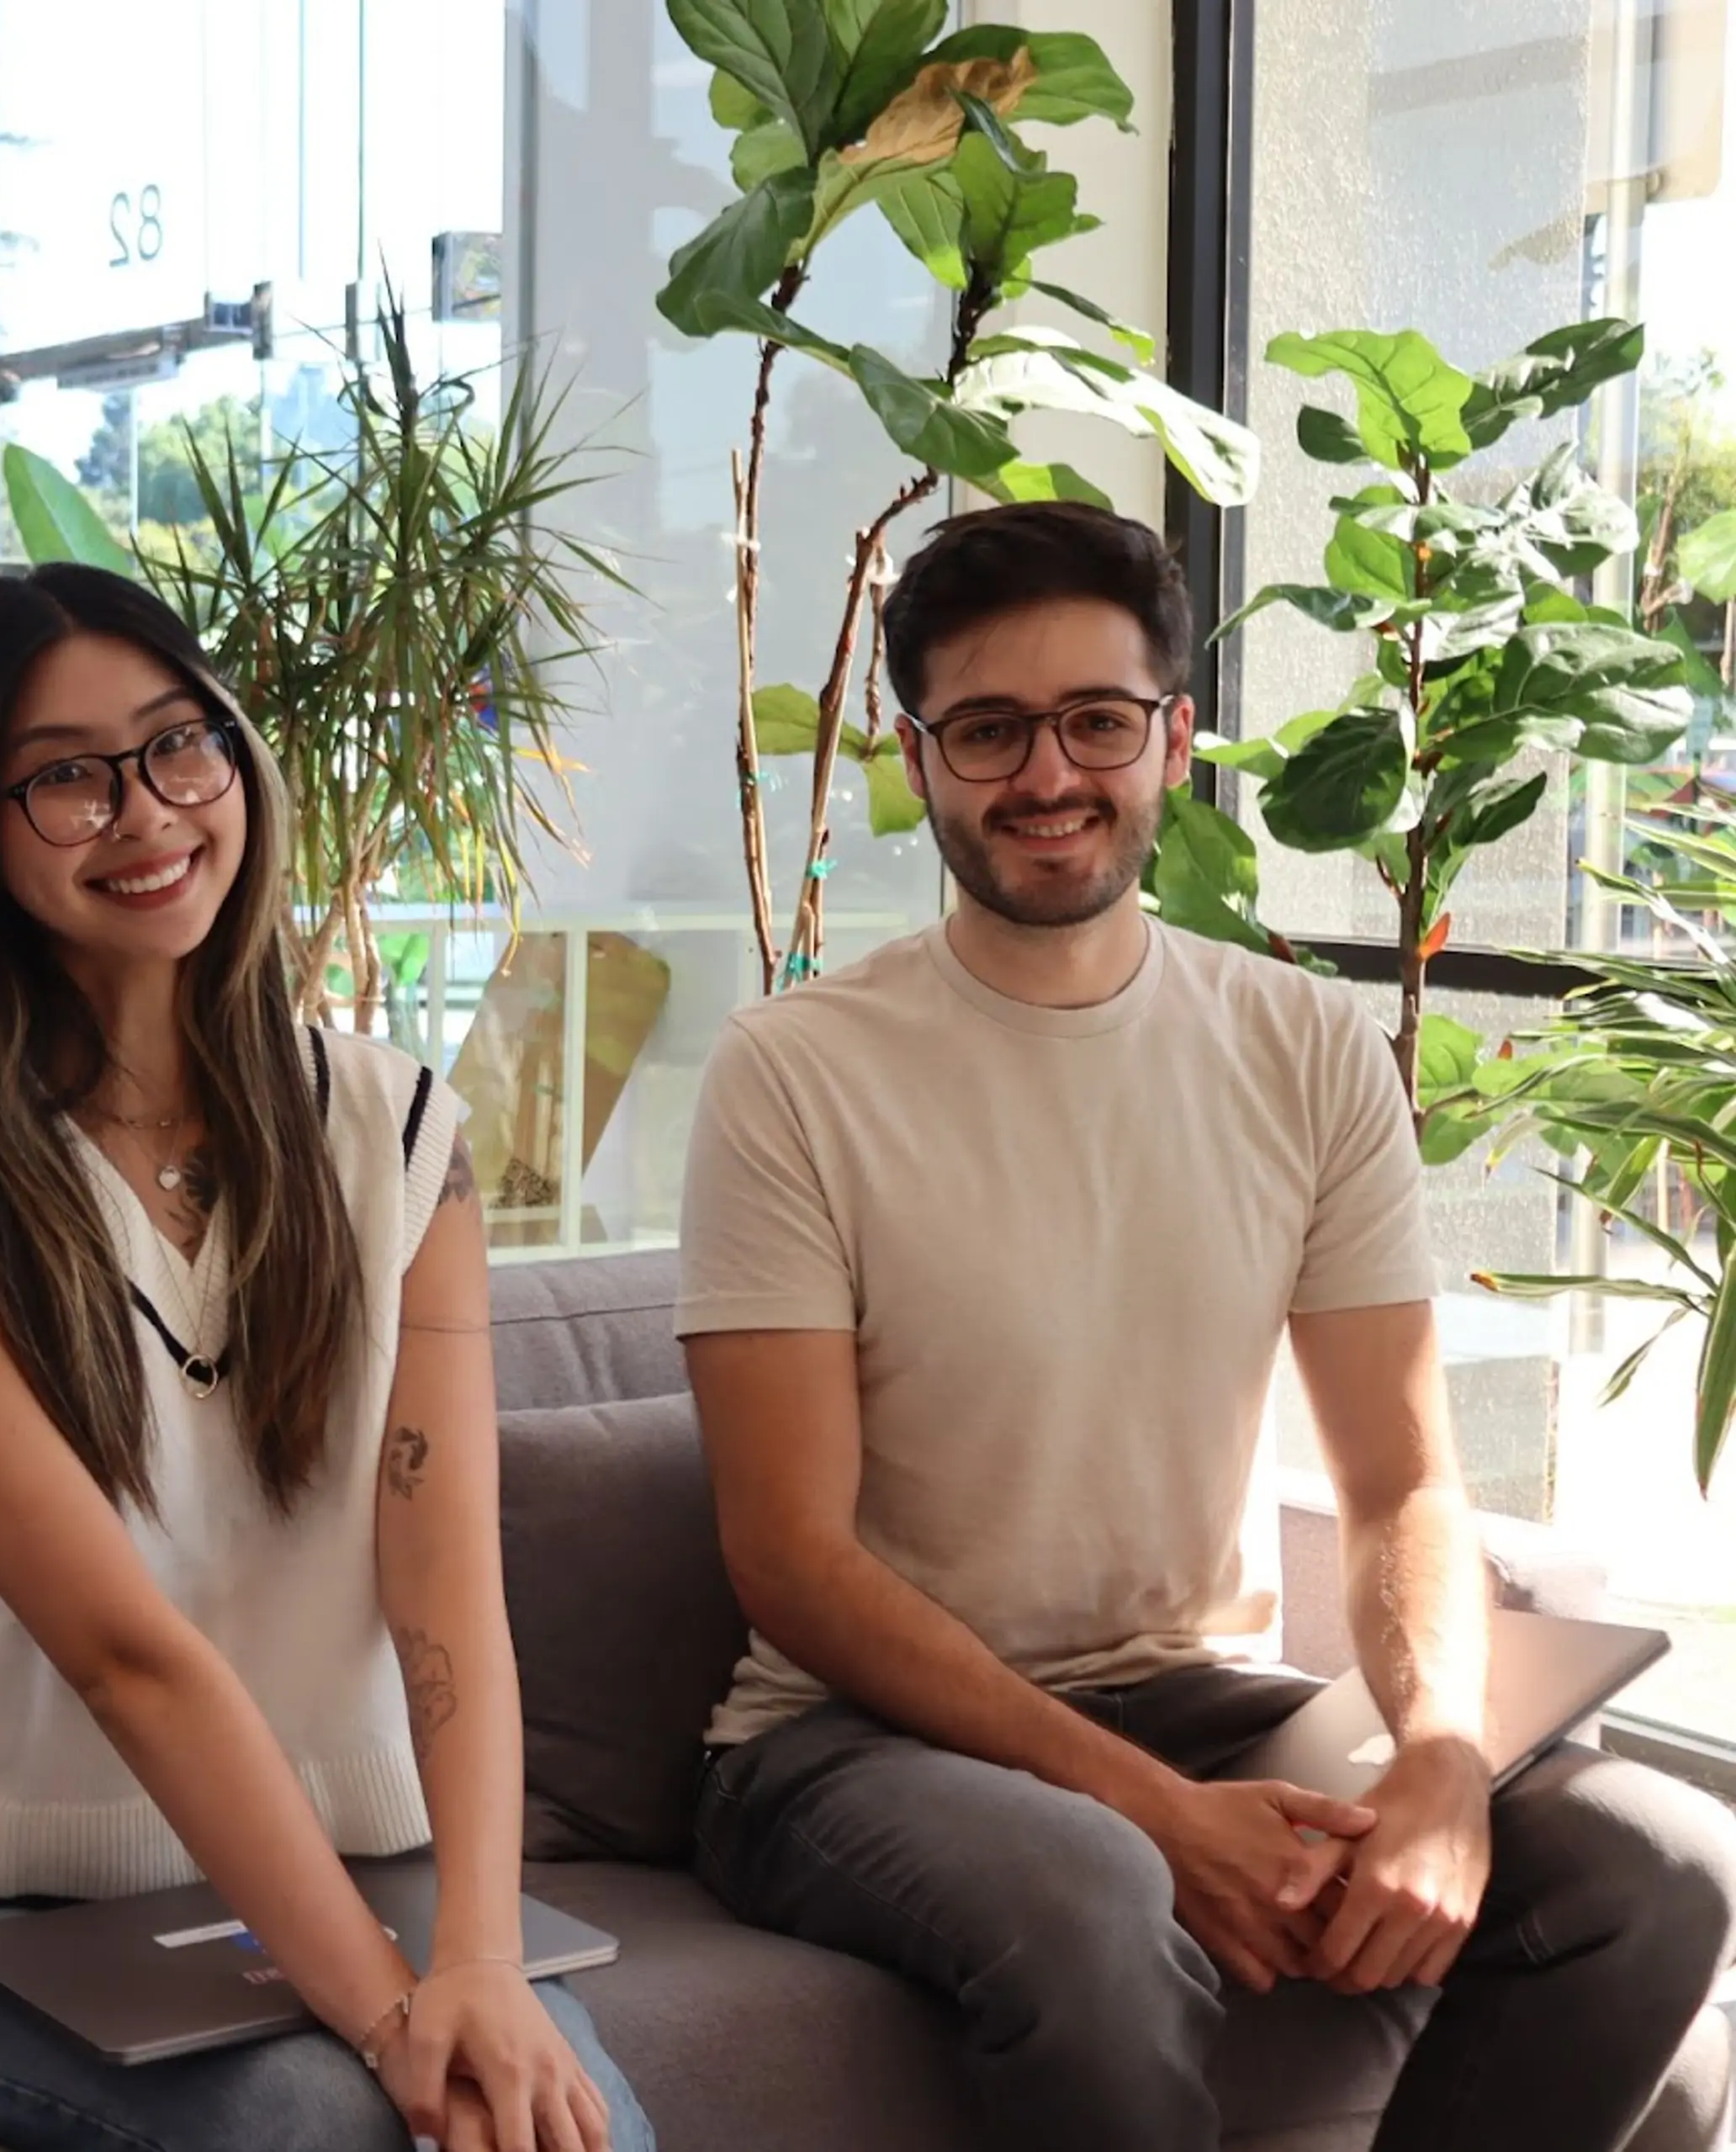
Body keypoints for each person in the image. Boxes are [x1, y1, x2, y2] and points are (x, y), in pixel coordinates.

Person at [678, 498, 1736, 2149]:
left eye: (1098, 720)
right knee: (1098, 1908)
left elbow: (1402, 1483)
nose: (1048, 775)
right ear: (918, 757)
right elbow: (792, 1564)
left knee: (1661, 1871)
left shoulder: (1304, 1049)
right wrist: (1159, 1815)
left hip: (1197, 1687)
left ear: (1175, 738)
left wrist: (1445, 1758)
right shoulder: (794, 1073)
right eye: (988, 730)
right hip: (842, 1747)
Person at [0, 562, 656, 2152]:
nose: (148, 810)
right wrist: (386, 2015)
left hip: (335, 1866)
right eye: (65, 778)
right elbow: (130, 1658)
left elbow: (447, 1581)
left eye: (183, 745)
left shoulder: (398, 1131)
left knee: (557, 2113)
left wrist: (480, 1957)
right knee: (323, 2119)